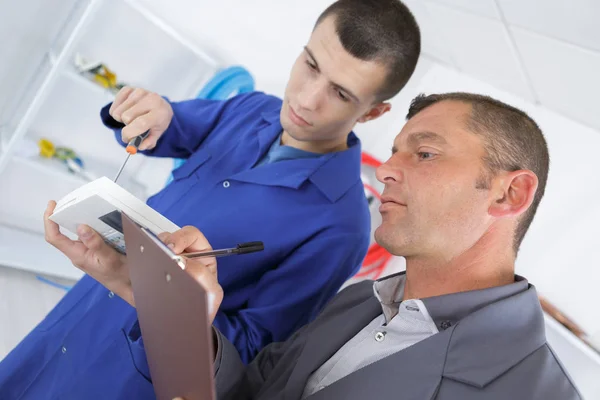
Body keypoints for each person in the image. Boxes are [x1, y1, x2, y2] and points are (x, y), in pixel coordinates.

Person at [0, 1, 421, 399]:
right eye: (310, 65)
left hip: (129, 375)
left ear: (372, 113)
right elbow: (164, 126)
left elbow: (251, 352)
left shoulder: (340, 230)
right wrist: (144, 113)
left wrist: (163, 297)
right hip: (77, 320)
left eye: (341, 93)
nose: (307, 99)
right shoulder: (253, 109)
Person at [123, 92, 579, 399]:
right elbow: (252, 390)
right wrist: (184, 317)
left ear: (508, 194)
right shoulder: (359, 301)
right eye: (395, 152)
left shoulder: (533, 390)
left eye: (424, 154)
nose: (384, 172)